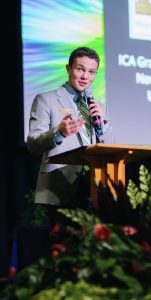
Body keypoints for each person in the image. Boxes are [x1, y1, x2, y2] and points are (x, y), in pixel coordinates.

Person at [27, 47, 114, 210]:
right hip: (59, 186)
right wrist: (58, 133)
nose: (85, 77)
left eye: (91, 72)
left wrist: (104, 126)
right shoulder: (46, 99)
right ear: (68, 68)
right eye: (80, 69)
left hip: (95, 187)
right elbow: (33, 144)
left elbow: (112, 148)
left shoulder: (99, 108)